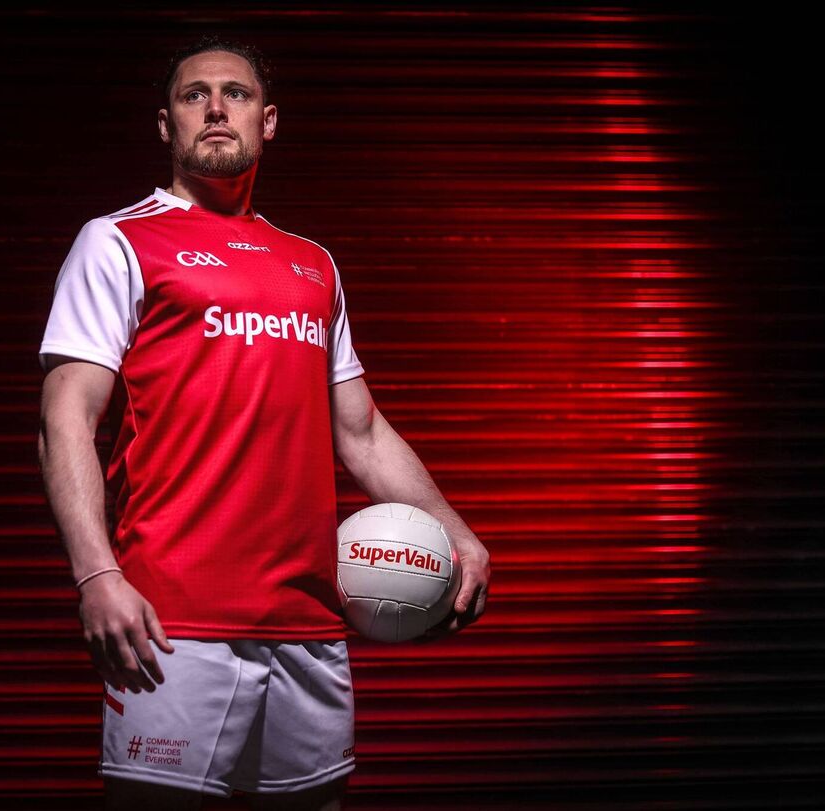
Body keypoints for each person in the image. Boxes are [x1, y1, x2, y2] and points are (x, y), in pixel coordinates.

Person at [37, 35, 491, 811]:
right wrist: (96, 574)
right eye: (194, 95)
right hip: (172, 619)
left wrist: (454, 528)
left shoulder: (311, 261)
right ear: (165, 124)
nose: (216, 107)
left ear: (269, 121)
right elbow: (65, 418)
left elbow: (362, 431)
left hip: (311, 619)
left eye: (236, 93)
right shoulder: (119, 241)